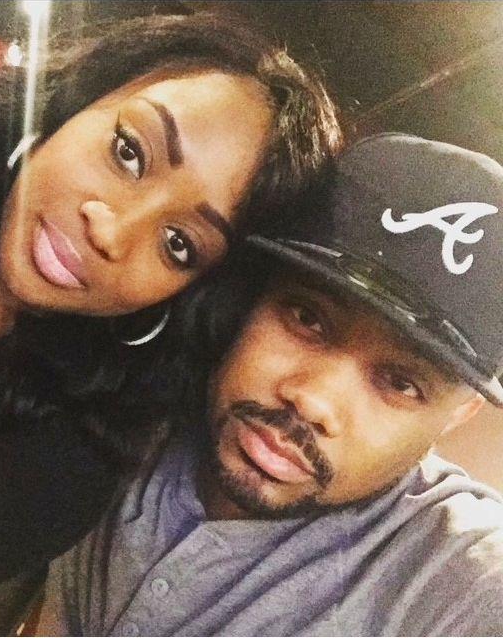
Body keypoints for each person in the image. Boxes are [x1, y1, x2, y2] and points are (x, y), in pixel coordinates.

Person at [0, 13, 342, 602]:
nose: (111, 232)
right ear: (73, 102)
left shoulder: (95, 423)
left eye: (179, 245)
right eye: (129, 153)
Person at [38, 133, 503, 636]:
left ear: (459, 413)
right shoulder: (139, 389)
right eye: (307, 317)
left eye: (401, 383)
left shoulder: (458, 577)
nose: (313, 399)